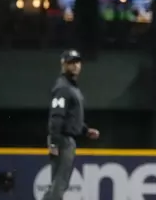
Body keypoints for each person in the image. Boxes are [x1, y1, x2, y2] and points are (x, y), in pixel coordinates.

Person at [43, 50, 100, 200]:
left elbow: (71, 118)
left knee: (59, 183)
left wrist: (85, 130)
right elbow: (56, 116)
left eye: (77, 62)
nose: (75, 66)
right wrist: (54, 142)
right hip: (62, 139)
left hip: (65, 138)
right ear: (63, 65)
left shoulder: (71, 87)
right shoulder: (63, 88)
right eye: (71, 63)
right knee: (59, 183)